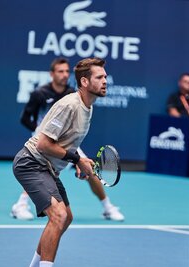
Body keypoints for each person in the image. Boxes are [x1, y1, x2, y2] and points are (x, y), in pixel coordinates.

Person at [13, 57, 109, 266]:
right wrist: (77, 159)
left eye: (105, 77)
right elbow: (43, 144)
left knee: (66, 218)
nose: (105, 81)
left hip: (48, 168)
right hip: (31, 162)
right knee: (58, 215)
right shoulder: (69, 105)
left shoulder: (88, 107)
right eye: (99, 77)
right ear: (84, 82)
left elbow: (67, 143)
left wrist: (78, 163)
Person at [11, 58, 124, 222]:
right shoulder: (40, 94)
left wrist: (78, 160)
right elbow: (25, 119)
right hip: (43, 138)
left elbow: (71, 134)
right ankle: (20, 204)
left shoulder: (75, 94)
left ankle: (107, 206)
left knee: (89, 169)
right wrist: (39, 129)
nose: (64, 75)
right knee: (39, 166)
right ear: (52, 74)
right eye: (60, 71)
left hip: (65, 139)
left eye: (66, 71)